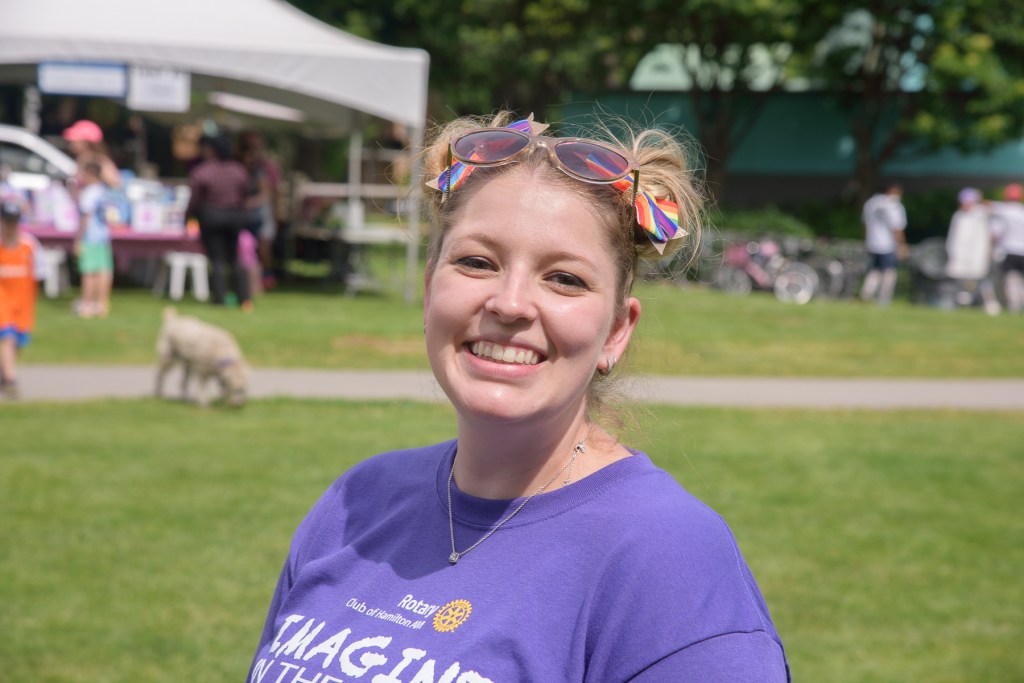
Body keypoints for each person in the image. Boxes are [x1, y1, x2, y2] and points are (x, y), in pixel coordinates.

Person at [248, 113, 790, 681]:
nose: (509, 304)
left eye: (564, 278)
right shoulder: (356, 502)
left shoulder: (671, 561)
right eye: (477, 262)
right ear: (430, 291)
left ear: (615, 331)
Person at [186, 134, 252, 311]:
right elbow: (246, 192)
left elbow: (194, 198)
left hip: (212, 217)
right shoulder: (238, 170)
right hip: (235, 217)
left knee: (216, 259)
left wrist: (188, 216)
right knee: (234, 258)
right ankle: (244, 298)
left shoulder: (203, 171)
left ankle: (220, 298)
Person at [0, 199, 45, 399]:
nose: (10, 226)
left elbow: (39, 274)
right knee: (7, 336)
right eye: (6, 221)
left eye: (13, 222)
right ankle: (10, 379)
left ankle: (4, 372)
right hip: (2, 300)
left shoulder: (30, 245)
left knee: (17, 341)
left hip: (23, 302)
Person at [945, 187, 1000, 315]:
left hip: (978, 254)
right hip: (960, 254)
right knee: (960, 281)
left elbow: (997, 211)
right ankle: (962, 304)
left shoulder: (982, 214)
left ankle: (990, 304)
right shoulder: (958, 215)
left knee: (981, 281)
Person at [72, 161, 114, 318]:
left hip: (90, 237)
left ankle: (87, 304)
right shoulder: (103, 191)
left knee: (89, 272)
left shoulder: (89, 193)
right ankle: (101, 304)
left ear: (89, 174)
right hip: (103, 236)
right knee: (103, 271)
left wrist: (78, 239)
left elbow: (86, 217)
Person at [860, 183, 908, 306]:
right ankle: (884, 299)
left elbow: (865, 224)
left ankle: (866, 295)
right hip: (887, 244)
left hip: (872, 242)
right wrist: (902, 245)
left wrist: (866, 241)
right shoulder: (894, 205)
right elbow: (897, 229)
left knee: (874, 270)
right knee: (889, 272)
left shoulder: (871, 203)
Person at [990, 182, 1024, 314]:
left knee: (1011, 280)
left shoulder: (1003, 210)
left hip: (1009, 250)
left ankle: (1014, 306)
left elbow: (995, 234)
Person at [62, 119, 121, 191]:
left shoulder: (100, 161)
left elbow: (115, 183)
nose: (71, 142)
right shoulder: (82, 159)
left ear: (86, 142)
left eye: (75, 139)